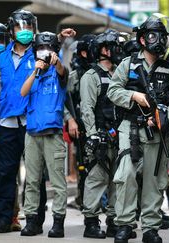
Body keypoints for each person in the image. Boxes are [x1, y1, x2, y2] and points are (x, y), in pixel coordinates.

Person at [107, 14, 169, 243]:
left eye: (162, 36)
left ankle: (151, 227)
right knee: (127, 175)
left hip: (157, 132)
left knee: (155, 179)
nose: (158, 40)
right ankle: (124, 224)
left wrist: (163, 117)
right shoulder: (128, 64)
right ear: (142, 40)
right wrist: (134, 96)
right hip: (129, 128)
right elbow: (113, 91)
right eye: (153, 36)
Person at [0, 9, 37, 233]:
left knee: (35, 174)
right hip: (7, 123)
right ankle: (5, 218)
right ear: (11, 30)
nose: (24, 31)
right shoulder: (4, 57)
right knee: (4, 172)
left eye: (28, 27)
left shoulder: (39, 54)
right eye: (19, 27)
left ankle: (34, 219)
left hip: (31, 122)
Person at [20, 31, 68, 238]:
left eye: (48, 49)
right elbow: (23, 92)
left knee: (57, 182)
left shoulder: (59, 73)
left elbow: (63, 72)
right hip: (32, 134)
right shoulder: (33, 70)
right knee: (31, 180)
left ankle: (58, 222)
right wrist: (35, 72)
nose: (44, 52)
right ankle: (31, 220)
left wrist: (56, 62)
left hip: (53, 134)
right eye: (41, 49)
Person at [80, 29, 123, 239]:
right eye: (113, 46)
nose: (117, 50)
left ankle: (114, 221)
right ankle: (91, 221)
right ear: (103, 50)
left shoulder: (119, 73)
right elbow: (86, 108)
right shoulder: (91, 76)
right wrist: (93, 135)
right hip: (100, 136)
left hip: (119, 136)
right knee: (97, 179)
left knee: (118, 180)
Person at [65, 34, 96, 211]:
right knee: (83, 164)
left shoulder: (102, 72)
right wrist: (71, 120)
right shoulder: (75, 75)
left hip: (98, 125)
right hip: (81, 127)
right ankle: (82, 198)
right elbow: (65, 98)